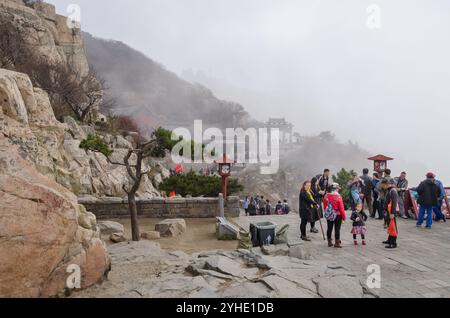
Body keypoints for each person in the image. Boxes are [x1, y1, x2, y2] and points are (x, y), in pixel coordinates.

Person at [323, 183, 346, 248]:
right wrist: (344, 217)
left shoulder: (326, 196)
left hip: (329, 214)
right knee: (337, 229)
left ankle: (329, 242)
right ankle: (337, 243)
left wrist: (327, 213)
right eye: (337, 188)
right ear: (335, 189)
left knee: (329, 228)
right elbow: (341, 208)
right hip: (338, 215)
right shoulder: (338, 197)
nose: (338, 190)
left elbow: (325, 207)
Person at [381, 179, 399, 249]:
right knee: (390, 226)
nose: (382, 187)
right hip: (388, 211)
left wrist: (392, 213)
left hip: (391, 212)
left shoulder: (393, 191)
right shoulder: (389, 190)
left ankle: (393, 242)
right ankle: (389, 240)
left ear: (386, 184)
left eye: (382, 186)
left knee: (393, 226)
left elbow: (394, 202)